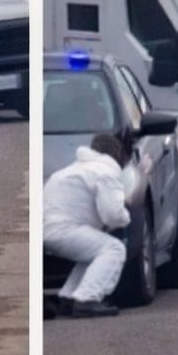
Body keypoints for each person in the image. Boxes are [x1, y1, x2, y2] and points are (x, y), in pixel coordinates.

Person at [42, 133, 133, 318]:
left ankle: (68, 298)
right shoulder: (106, 172)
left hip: (46, 230)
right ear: (116, 155)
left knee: (94, 252)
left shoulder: (70, 170)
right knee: (114, 249)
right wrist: (126, 214)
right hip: (64, 230)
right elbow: (112, 215)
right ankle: (87, 299)